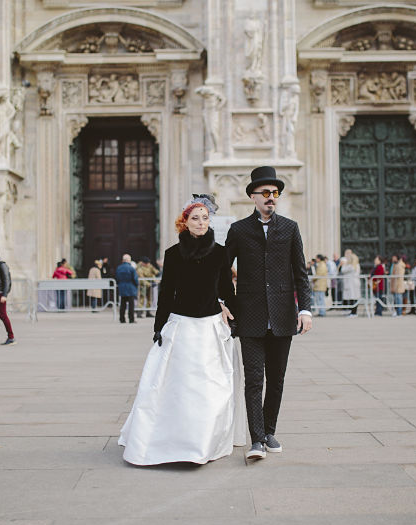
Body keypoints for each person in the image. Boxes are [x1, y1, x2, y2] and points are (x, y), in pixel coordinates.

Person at [119, 195, 243, 465]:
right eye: (195, 218)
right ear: (184, 222)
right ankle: (172, 441)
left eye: (205, 218)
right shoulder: (173, 254)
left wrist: (234, 319)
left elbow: (225, 288)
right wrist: (158, 326)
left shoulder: (220, 252)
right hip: (181, 326)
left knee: (209, 388)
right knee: (176, 387)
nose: (200, 222)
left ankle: (204, 443)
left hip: (209, 327)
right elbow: (166, 293)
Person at [225, 166, 312, 460]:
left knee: (276, 379)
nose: (270, 197)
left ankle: (270, 430)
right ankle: (257, 440)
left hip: (284, 316)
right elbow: (223, 272)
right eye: (265, 193)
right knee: (254, 381)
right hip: (249, 317)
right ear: (253, 196)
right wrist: (224, 303)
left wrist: (307, 310)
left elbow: (301, 273)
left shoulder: (290, 228)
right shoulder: (238, 230)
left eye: (274, 193)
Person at [115, 254, 138, 324]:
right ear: (129, 260)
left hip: (122, 287)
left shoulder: (119, 268)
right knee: (131, 305)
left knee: (123, 304)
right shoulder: (131, 268)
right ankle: (131, 319)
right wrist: (136, 285)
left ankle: (122, 319)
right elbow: (135, 279)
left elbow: (117, 278)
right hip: (130, 288)